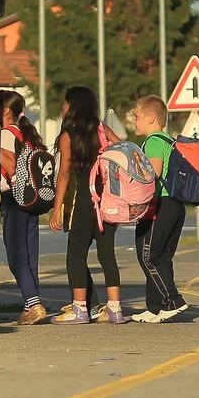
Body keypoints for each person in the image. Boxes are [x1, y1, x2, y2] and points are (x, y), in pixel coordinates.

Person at [48, 86, 123, 324]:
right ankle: (114, 309)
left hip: (84, 201)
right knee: (107, 255)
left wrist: (57, 207)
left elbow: (64, 174)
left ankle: (80, 308)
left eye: (65, 102)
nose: (62, 107)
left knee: (76, 256)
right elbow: (122, 152)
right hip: (108, 201)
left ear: (73, 106)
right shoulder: (103, 130)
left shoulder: (68, 136)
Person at [128, 95, 189, 324]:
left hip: (159, 205)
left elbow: (153, 171)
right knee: (162, 257)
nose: (134, 121)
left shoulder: (153, 140)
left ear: (151, 117)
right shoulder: (168, 140)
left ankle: (173, 300)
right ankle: (155, 307)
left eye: (137, 116)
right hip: (175, 205)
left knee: (148, 256)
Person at [0, 89, 47, 326]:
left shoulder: (4, 134)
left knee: (16, 256)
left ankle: (33, 304)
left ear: (5, 110)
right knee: (30, 254)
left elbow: (11, 165)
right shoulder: (27, 134)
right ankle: (31, 304)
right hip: (32, 199)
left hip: (14, 199)